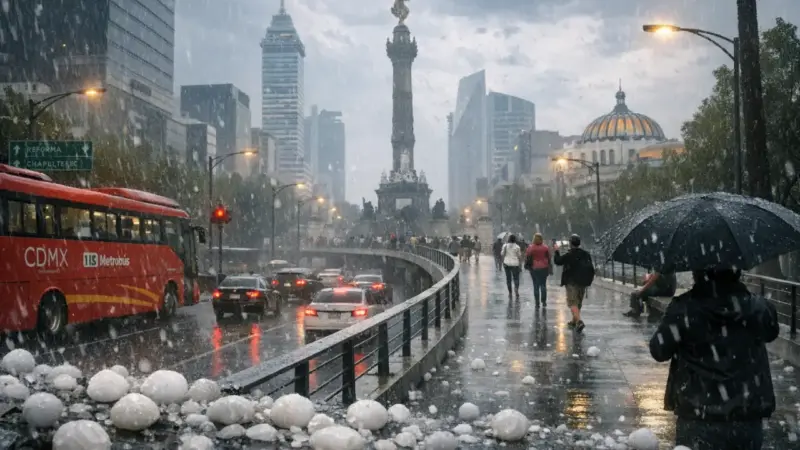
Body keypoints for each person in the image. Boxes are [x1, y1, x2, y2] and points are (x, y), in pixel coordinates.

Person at [649, 267, 778, 449]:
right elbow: (771, 332)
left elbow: (659, 351)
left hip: (697, 415)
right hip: (746, 416)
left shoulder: (683, 308)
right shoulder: (757, 308)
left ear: (697, 273)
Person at [553, 234, 594, 333]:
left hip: (572, 281)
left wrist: (556, 251)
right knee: (578, 302)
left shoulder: (570, 254)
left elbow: (558, 261)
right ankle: (574, 321)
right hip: (583, 281)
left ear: (571, 244)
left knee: (572, 302)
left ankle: (579, 321)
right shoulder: (586, 254)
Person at [525, 233, 552, 309]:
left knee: (536, 285)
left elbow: (527, 256)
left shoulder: (531, 248)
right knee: (543, 285)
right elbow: (549, 256)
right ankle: (544, 301)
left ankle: (537, 302)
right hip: (544, 267)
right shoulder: (545, 247)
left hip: (534, 268)